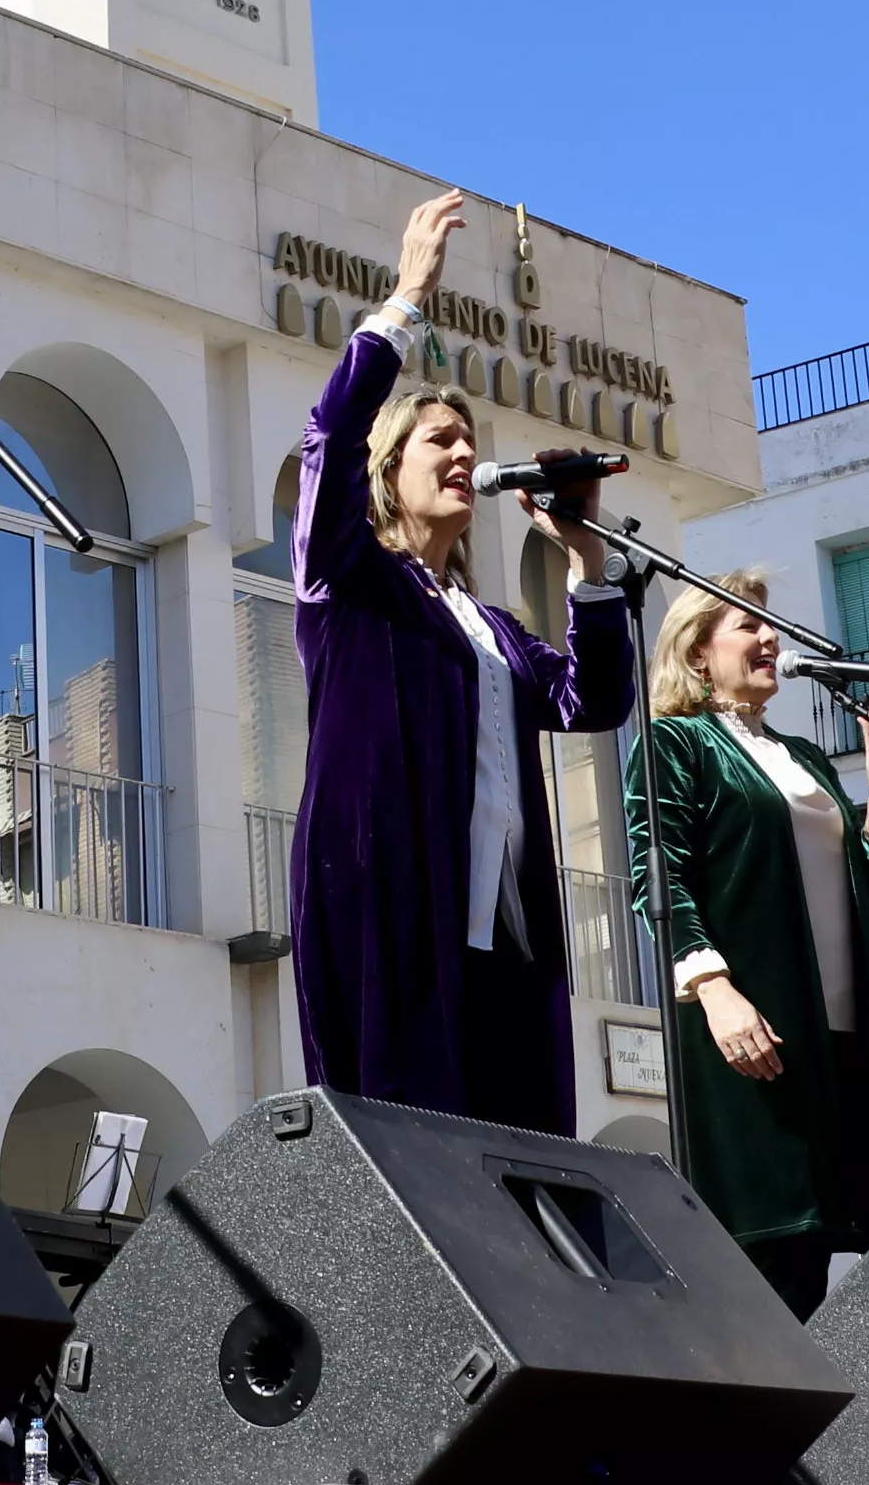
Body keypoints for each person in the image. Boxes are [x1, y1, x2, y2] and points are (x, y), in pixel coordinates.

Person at [292, 190, 637, 1133]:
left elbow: (591, 700)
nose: (464, 453)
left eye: (470, 441)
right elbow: (325, 439)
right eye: (440, 439)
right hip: (395, 896)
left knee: (513, 1146)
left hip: (503, 919)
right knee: (410, 1143)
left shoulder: (487, 624)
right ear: (387, 468)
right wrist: (405, 297)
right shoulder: (351, 582)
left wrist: (588, 564)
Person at [623, 574, 869, 1314]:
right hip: (754, 1027)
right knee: (778, 1261)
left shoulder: (804, 756)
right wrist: (714, 990)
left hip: (845, 1039)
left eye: (772, 626)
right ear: (698, 653)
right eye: (747, 626)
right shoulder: (677, 743)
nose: (771, 639)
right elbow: (658, 877)